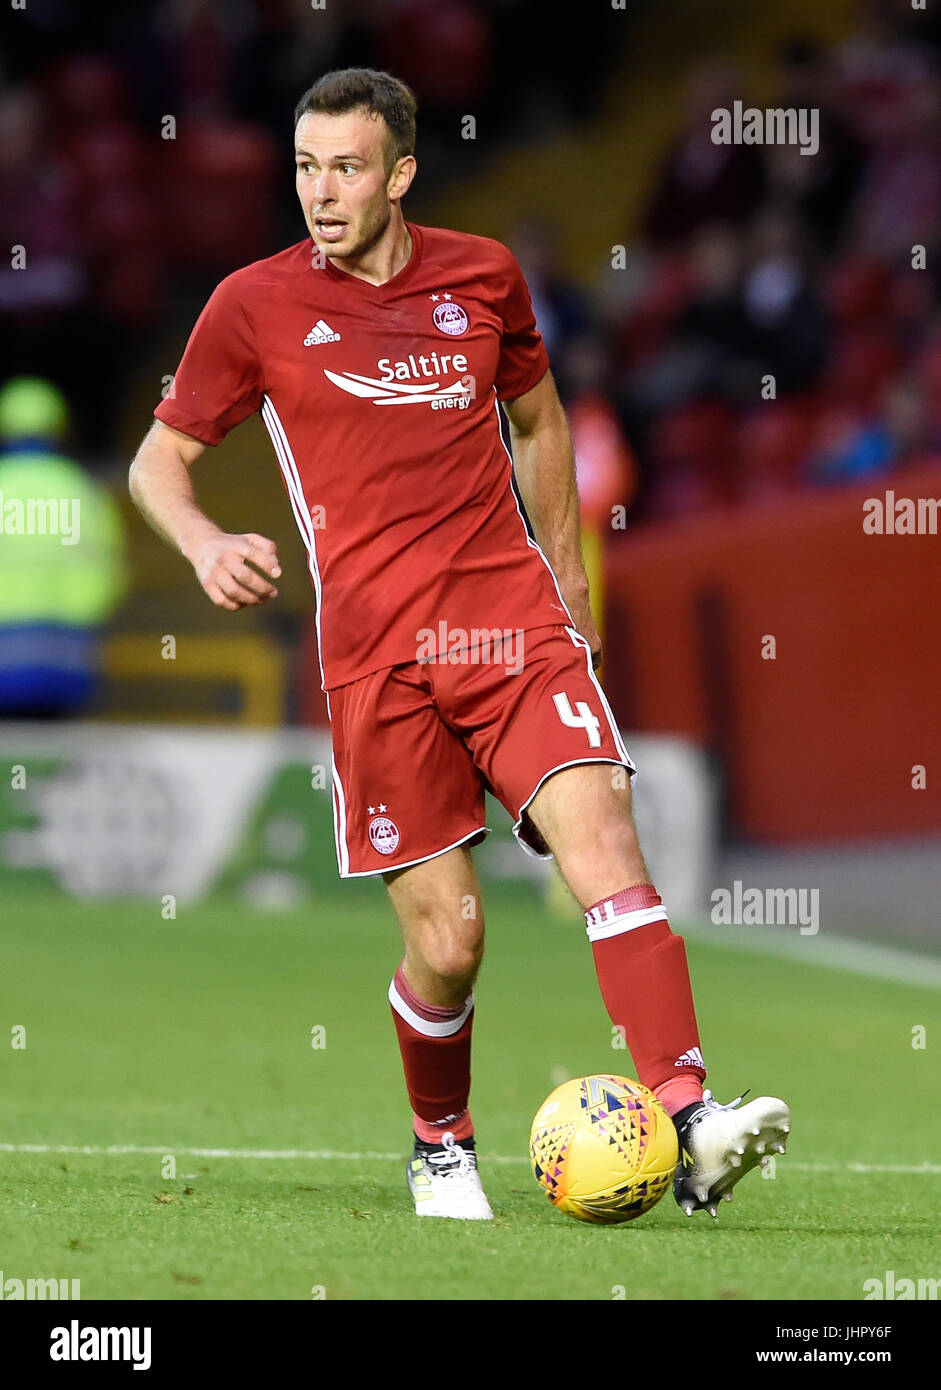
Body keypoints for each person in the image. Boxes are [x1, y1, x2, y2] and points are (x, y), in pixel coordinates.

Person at [129, 68, 789, 1220]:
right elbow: (156, 461)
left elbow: (537, 418)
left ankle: (690, 1119)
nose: (320, 193)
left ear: (399, 175)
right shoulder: (252, 303)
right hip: (376, 657)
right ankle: (441, 1143)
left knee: (606, 850)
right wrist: (199, 542)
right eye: (303, 168)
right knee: (452, 939)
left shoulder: (482, 276)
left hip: (509, 623)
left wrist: (569, 583)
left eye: (344, 168)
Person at [0, 376, 127, 717]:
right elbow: (111, 567)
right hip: (67, 651)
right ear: (59, 429)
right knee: (57, 759)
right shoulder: (83, 490)